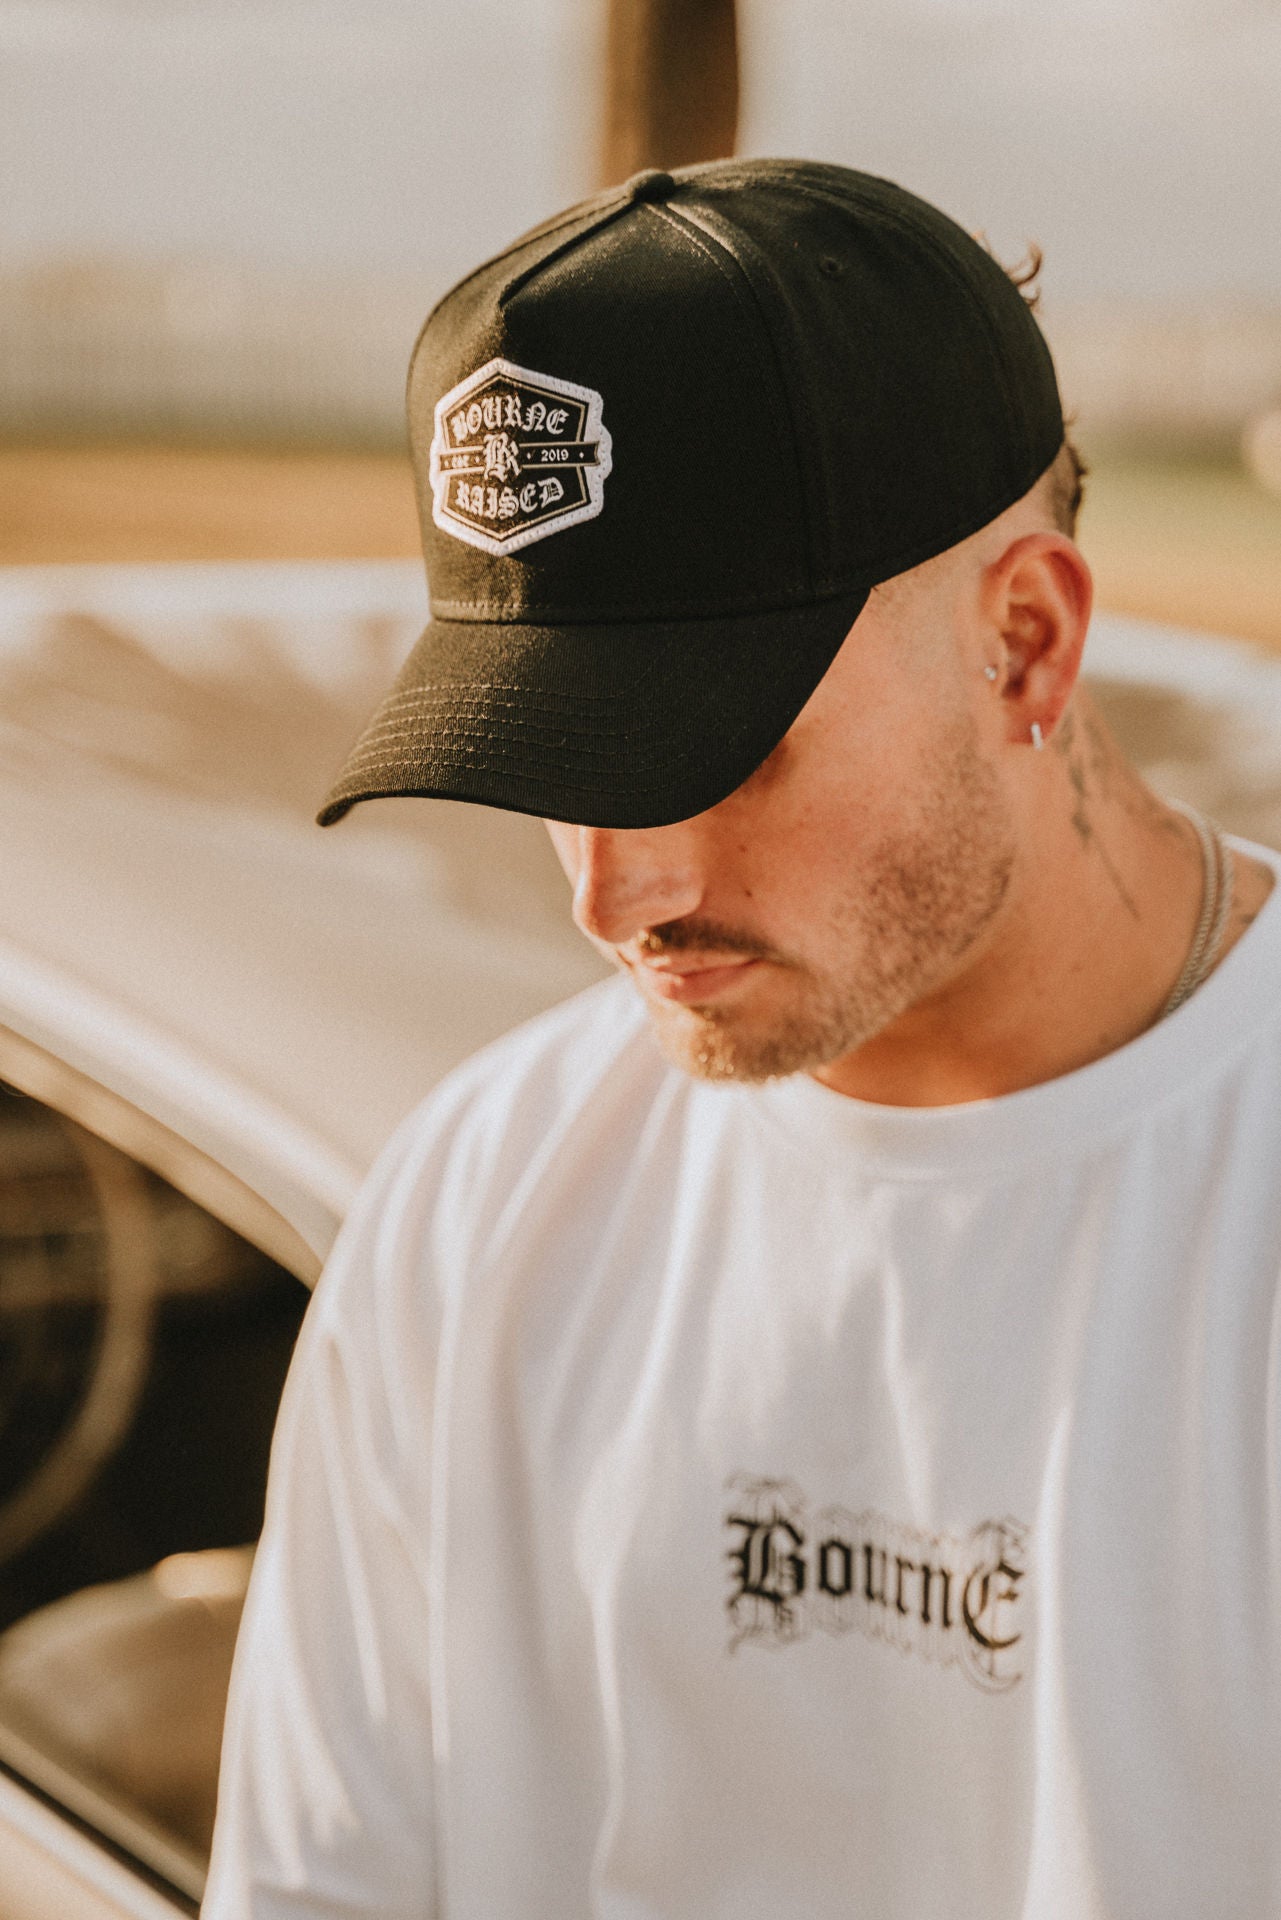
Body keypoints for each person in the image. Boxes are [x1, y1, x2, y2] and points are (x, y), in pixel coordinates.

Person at [202, 161, 1281, 1919]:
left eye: (713, 747)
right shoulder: (482, 1205)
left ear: (1023, 643)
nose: (615, 891)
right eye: (552, 763)